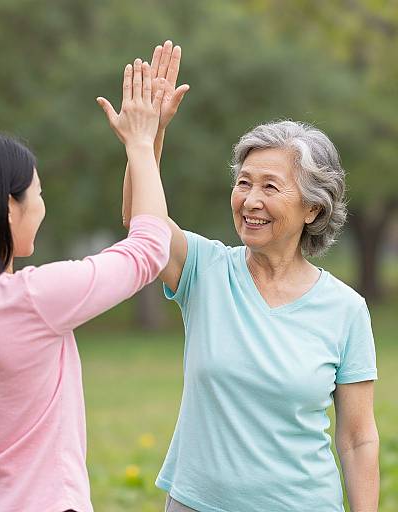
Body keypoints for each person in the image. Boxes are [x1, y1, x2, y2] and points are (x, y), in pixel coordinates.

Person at [0, 60, 169, 511]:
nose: (41, 206)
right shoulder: (35, 299)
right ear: (8, 207)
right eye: (37, 193)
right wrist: (141, 144)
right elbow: (148, 251)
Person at [121, 43, 380, 512]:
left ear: (313, 207)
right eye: (243, 182)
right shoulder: (204, 268)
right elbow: (145, 227)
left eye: (270, 186)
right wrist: (149, 137)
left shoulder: (345, 309)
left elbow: (358, 438)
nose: (250, 199)